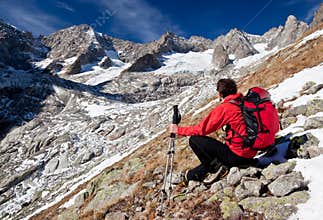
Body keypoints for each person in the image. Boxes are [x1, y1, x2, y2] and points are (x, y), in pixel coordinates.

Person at [169, 78, 279, 185]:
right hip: (251, 152)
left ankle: (215, 169)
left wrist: (178, 130)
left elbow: (201, 130)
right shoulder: (243, 102)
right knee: (210, 162)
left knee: (195, 140)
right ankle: (190, 176)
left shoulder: (226, 108)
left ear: (220, 94)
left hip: (237, 156)